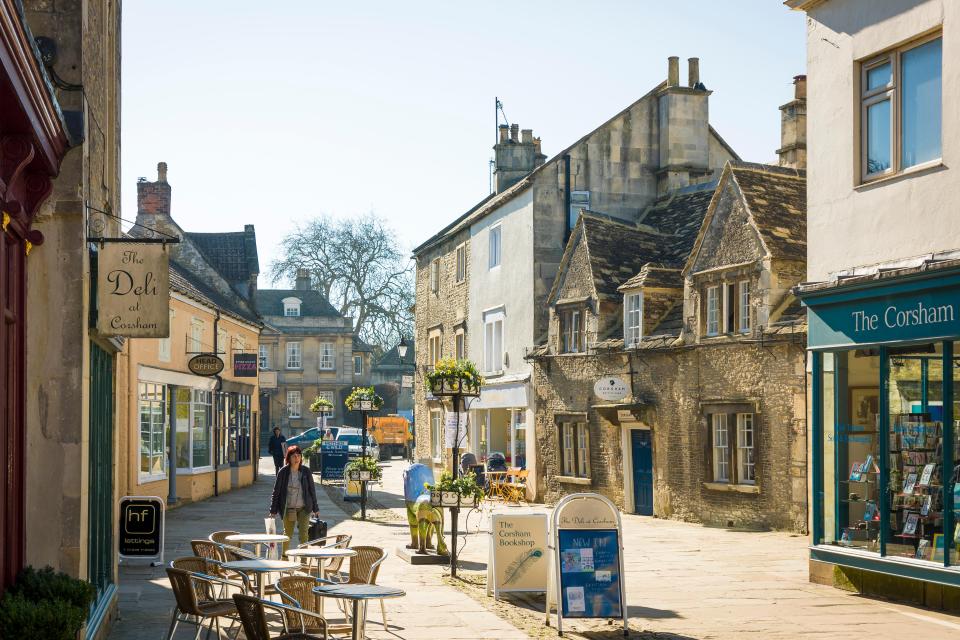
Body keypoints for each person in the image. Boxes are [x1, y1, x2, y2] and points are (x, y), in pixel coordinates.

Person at [269, 445, 320, 552]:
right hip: (288, 508)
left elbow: (312, 491)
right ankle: (284, 557)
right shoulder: (283, 472)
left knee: (304, 534)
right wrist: (273, 510)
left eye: (298, 456)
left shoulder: (306, 471)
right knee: (287, 534)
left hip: (304, 508)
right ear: (289, 458)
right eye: (294, 456)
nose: (296, 458)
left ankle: (304, 558)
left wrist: (316, 508)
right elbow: (276, 492)